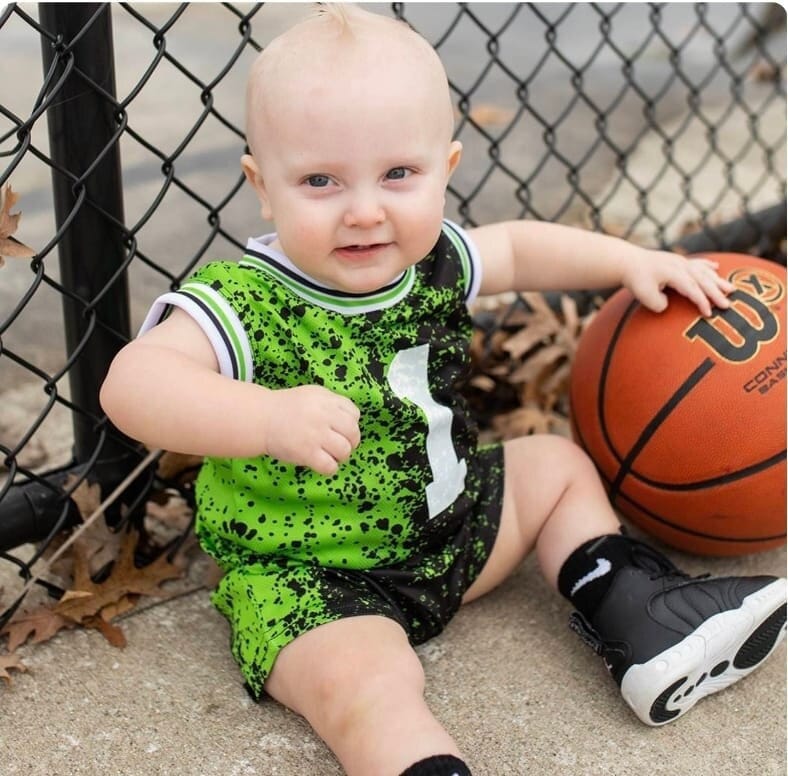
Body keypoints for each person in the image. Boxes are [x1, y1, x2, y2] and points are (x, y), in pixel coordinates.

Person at [100, 5, 787, 776]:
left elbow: (522, 248)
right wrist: (263, 417)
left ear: (446, 169)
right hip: (313, 578)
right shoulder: (245, 299)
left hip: (452, 529)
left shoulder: (432, 257)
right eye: (320, 180)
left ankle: (636, 613)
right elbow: (133, 385)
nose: (365, 210)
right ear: (263, 187)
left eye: (399, 175)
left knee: (555, 468)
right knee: (370, 685)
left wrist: (629, 261)